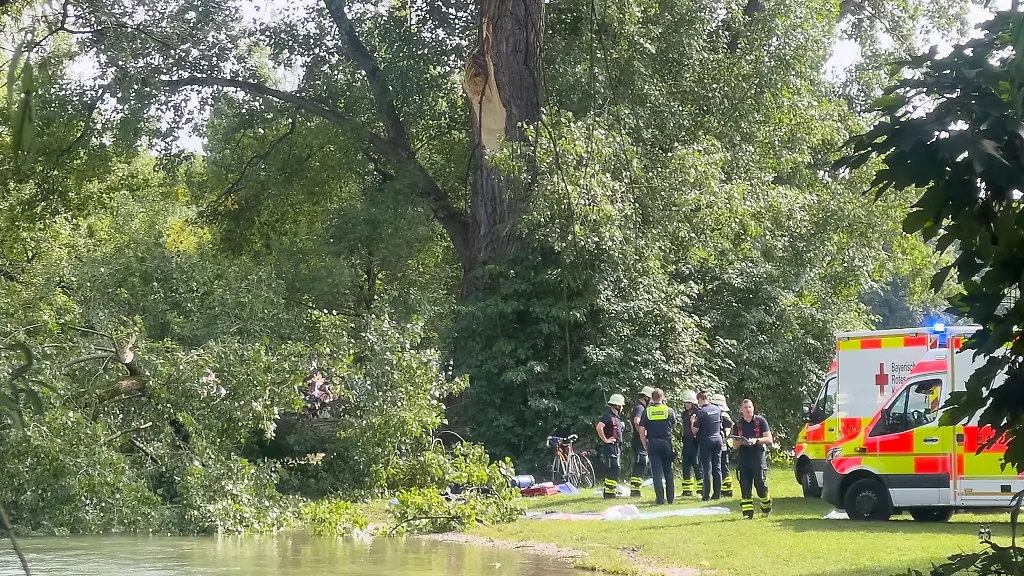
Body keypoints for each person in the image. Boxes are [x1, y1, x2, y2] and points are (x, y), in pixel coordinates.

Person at [732, 398, 773, 519]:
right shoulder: (738, 424)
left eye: (750, 407)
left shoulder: (760, 421)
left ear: (753, 408)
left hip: (757, 455)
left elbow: (769, 439)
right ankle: (747, 514)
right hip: (744, 457)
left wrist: (756, 440)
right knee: (745, 485)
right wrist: (739, 441)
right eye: (745, 408)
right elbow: (734, 446)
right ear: (741, 410)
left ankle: (766, 506)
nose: (748, 410)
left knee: (760, 483)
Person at [691, 391, 733, 501]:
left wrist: (692, 421)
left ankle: (706, 495)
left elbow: (694, 431)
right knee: (717, 467)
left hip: (706, 440)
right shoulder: (717, 409)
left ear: (700, 399)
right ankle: (717, 494)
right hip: (718, 440)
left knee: (706, 469)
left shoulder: (701, 412)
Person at [638, 388, 676, 505]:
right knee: (668, 471)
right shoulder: (668, 410)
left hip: (653, 443)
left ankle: (660, 499)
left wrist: (645, 444)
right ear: (663, 397)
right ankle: (671, 499)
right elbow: (674, 425)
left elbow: (641, 430)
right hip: (666, 443)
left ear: (652, 398)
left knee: (657, 473)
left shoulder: (647, 411)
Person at [596, 393, 626, 499]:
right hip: (611, 446)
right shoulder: (607, 415)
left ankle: (611, 491)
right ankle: (609, 493)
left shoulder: (615, 417)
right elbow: (599, 427)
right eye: (621, 406)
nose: (622, 408)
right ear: (617, 406)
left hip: (616, 446)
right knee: (613, 468)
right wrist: (605, 440)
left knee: (616, 468)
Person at [629, 386, 655, 497]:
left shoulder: (638, 407)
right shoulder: (640, 408)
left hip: (637, 440)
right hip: (639, 441)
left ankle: (636, 490)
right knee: (641, 463)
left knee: (640, 463)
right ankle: (635, 491)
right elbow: (636, 421)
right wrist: (642, 433)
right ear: (646, 398)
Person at [679, 390, 703, 497]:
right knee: (686, 466)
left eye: (688, 403)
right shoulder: (684, 414)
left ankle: (701, 490)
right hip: (686, 442)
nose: (687, 405)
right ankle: (687, 491)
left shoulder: (698, 413)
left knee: (697, 465)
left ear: (693, 403)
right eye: (685, 403)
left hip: (695, 443)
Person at [711, 393, 734, 497]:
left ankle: (727, 490)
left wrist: (724, 436)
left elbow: (730, 426)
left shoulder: (723, 414)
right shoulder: (720, 413)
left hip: (723, 446)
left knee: (723, 467)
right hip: (721, 445)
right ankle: (725, 490)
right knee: (722, 467)